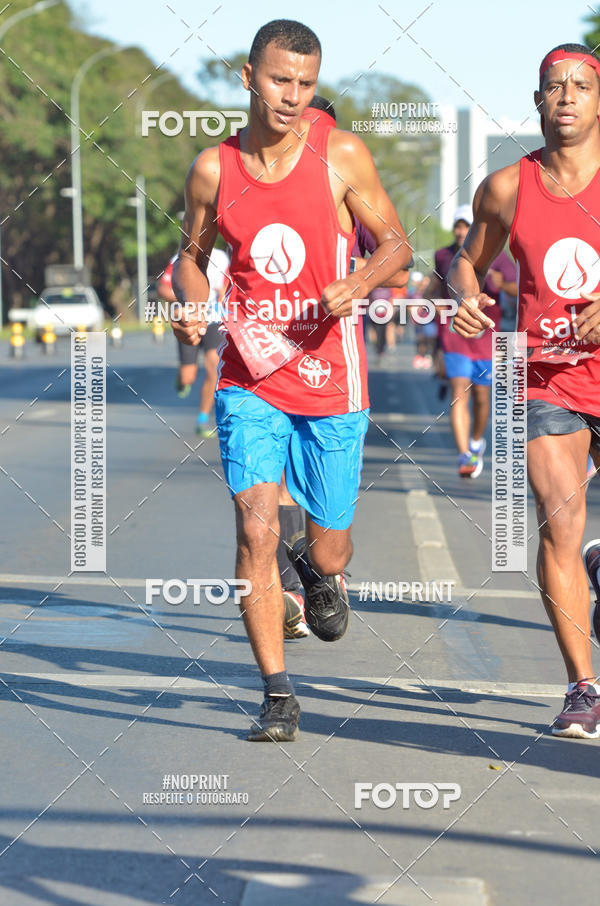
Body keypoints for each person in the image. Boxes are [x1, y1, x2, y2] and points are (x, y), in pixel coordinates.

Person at [171, 19, 411, 742]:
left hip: (330, 380)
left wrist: (359, 280)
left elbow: (397, 246)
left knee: (330, 545)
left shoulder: (340, 154)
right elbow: (190, 254)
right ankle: (277, 693)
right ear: (248, 78)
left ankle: (317, 566)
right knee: (254, 528)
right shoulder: (214, 169)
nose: (292, 96)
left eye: (305, 84)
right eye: (280, 80)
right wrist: (191, 301)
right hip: (249, 377)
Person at [451, 43, 600, 737]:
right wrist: (468, 295)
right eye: (553, 87)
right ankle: (582, 685)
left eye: (579, 85)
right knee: (558, 524)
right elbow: (465, 262)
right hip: (546, 375)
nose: (566, 96)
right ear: (538, 102)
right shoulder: (509, 188)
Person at [427, 206, 517, 477]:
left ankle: (476, 441)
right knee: (459, 393)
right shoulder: (444, 256)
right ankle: (464, 454)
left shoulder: (498, 257)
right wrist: (433, 305)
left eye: (466, 226)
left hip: (487, 336)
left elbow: (519, 287)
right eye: (458, 226)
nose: (460, 231)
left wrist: (501, 283)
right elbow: (432, 290)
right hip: (454, 334)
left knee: (481, 395)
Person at [158, 248, 229, 436]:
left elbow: (228, 286)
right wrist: (190, 301)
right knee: (188, 376)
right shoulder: (180, 257)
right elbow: (163, 288)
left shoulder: (221, 257)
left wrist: (223, 294)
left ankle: (203, 419)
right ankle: (182, 381)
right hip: (189, 318)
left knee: (214, 365)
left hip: (214, 320)